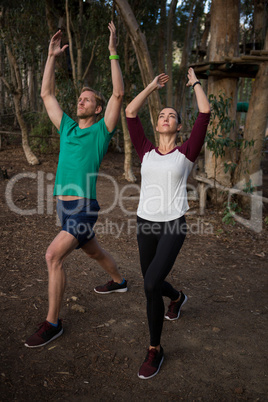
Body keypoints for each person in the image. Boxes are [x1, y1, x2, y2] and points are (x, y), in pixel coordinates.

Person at [25, 21, 127, 348]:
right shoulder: (67, 127)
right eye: (80, 97)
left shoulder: (100, 132)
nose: (81, 101)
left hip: (84, 207)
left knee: (53, 255)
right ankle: (119, 280)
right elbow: (46, 93)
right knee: (94, 251)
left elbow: (118, 94)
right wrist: (52, 56)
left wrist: (113, 53)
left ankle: (53, 323)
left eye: (87, 99)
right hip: (63, 206)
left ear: (97, 109)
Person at [125, 68, 210, 379]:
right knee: (153, 282)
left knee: (149, 285)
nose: (165, 117)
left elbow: (204, 112)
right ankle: (176, 297)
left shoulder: (185, 153)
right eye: (161, 114)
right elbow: (130, 112)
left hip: (173, 225)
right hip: (145, 224)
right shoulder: (145, 151)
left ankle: (154, 350)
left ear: (178, 125)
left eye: (171, 115)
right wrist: (151, 86)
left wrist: (195, 83)